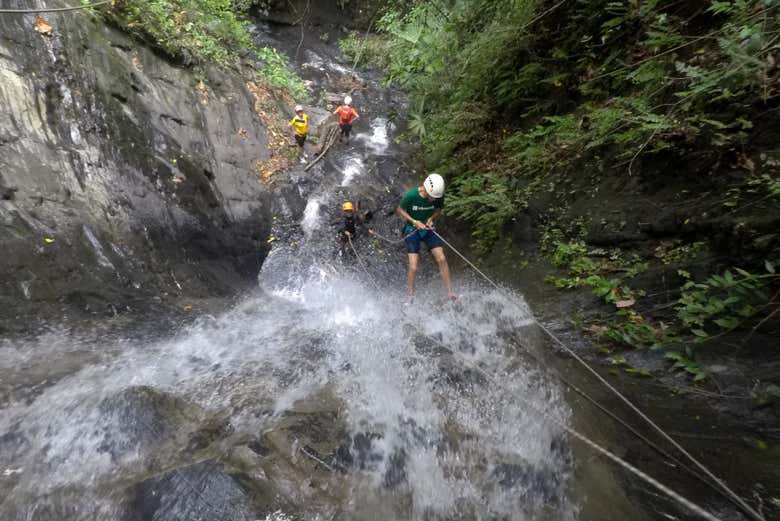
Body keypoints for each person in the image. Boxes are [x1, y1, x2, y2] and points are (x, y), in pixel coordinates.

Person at [396, 174, 457, 303]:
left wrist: (431, 218)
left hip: (427, 229)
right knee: (413, 267)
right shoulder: (412, 195)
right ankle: (410, 297)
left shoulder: (438, 196)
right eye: (432, 196)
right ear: (426, 189)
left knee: (441, 258)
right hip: (412, 229)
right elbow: (400, 209)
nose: (434, 199)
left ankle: (450, 292)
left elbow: (438, 210)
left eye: (435, 197)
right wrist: (414, 221)